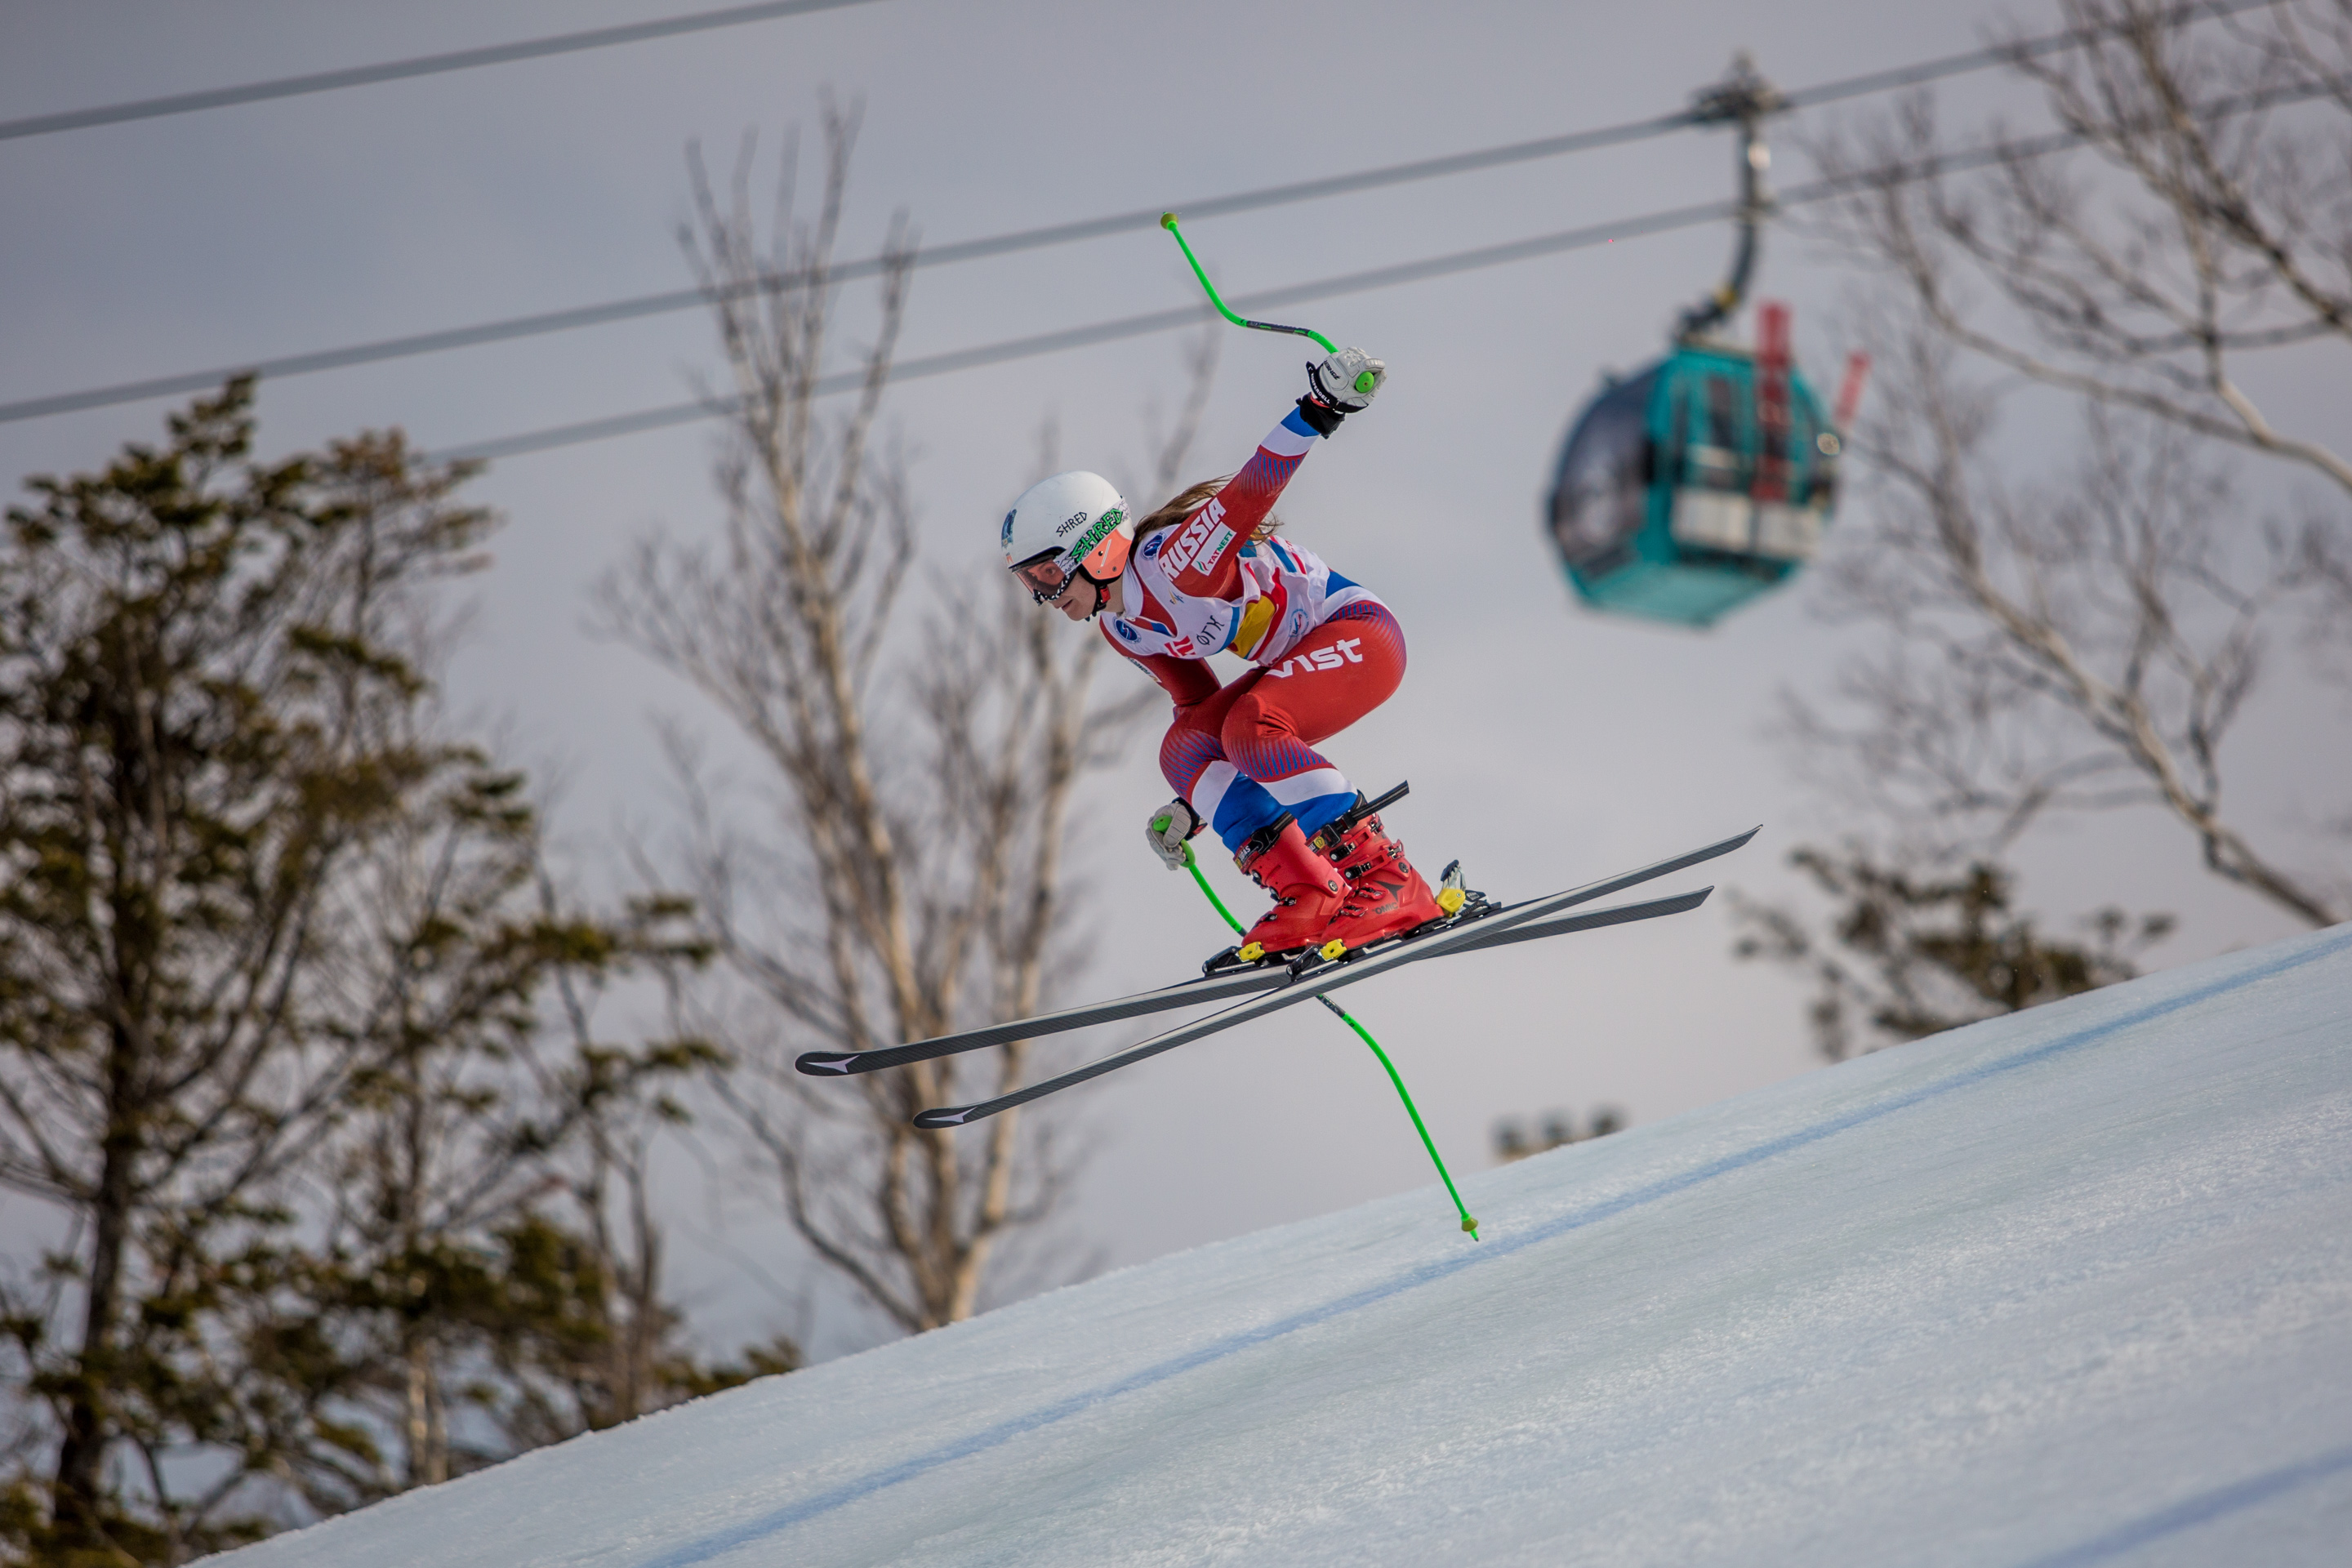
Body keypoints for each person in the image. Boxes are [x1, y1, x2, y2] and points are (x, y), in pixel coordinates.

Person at [999, 348, 1446, 960]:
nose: (1046, 596)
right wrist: (1196, 805)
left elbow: (1247, 496)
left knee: (1251, 726)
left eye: (1048, 573)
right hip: (1305, 657)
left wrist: (1318, 409)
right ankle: (1311, 890)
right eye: (1031, 584)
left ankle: (1390, 879)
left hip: (1361, 634)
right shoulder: (1125, 628)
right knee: (1184, 747)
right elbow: (1197, 711)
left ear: (1094, 549)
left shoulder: (1174, 564)